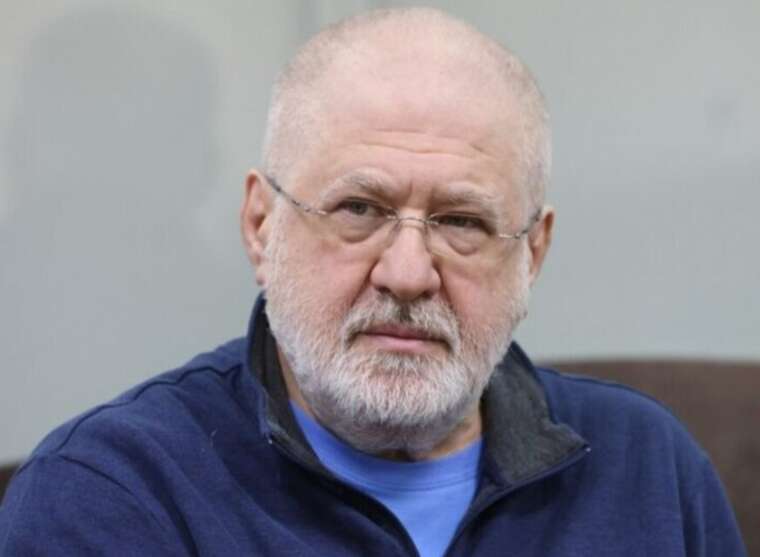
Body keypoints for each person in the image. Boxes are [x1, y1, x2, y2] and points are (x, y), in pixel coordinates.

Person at [0, 7, 746, 556]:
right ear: (261, 226)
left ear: (534, 253)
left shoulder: (649, 470)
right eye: (359, 209)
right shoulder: (114, 496)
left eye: (462, 221)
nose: (408, 274)